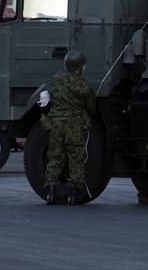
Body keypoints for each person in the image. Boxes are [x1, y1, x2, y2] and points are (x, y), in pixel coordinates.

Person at [43, 49, 95, 205]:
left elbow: (44, 101)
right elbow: (91, 107)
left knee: (55, 157)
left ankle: (51, 192)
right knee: (76, 159)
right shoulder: (83, 84)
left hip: (56, 124)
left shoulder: (53, 81)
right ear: (80, 67)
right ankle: (73, 195)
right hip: (74, 125)